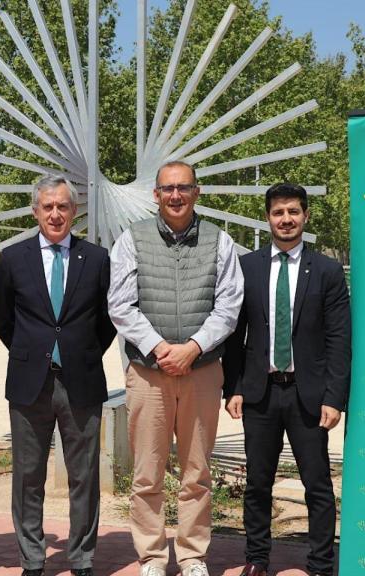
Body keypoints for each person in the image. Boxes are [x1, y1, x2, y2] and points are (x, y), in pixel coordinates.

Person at [108, 161, 244, 576]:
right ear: (156, 194)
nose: (176, 195)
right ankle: (151, 556)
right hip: (149, 373)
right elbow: (120, 304)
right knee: (147, 473)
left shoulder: (221, 243)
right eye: (168, 188)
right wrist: (161, 348)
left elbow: (229, 305)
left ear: (197, 192)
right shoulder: (132, 240)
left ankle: (192, 556)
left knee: (196, 473)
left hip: (202, 370)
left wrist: (194, 348)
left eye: (184, 187)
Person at [223, 183, 351, 576]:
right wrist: (233, 388)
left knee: (318, 486)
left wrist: (334, 396)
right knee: (258, 484)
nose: (286, 219)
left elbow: (339, 337)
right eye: (278, 212)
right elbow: (234, 332)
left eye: (293, 211)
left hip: (307, 394)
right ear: (268, 218)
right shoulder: (249, 267)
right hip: (260, 394)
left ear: (305, 216)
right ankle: (257, 559)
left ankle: (320, 564)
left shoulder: (327, 271)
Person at [0, 175, 117, 576]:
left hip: (81, 380)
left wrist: (80, 354)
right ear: (35, 211)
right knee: (28, 478)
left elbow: (107, 322)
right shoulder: (13, 259)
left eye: (63, 206)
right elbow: (6, 321)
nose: (55, 214)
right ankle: (32, 558)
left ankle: (81, 558)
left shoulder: (97, 259)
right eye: (47, 206)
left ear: (75, 211)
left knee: (84, 477)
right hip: (31, 383)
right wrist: (34, 355)